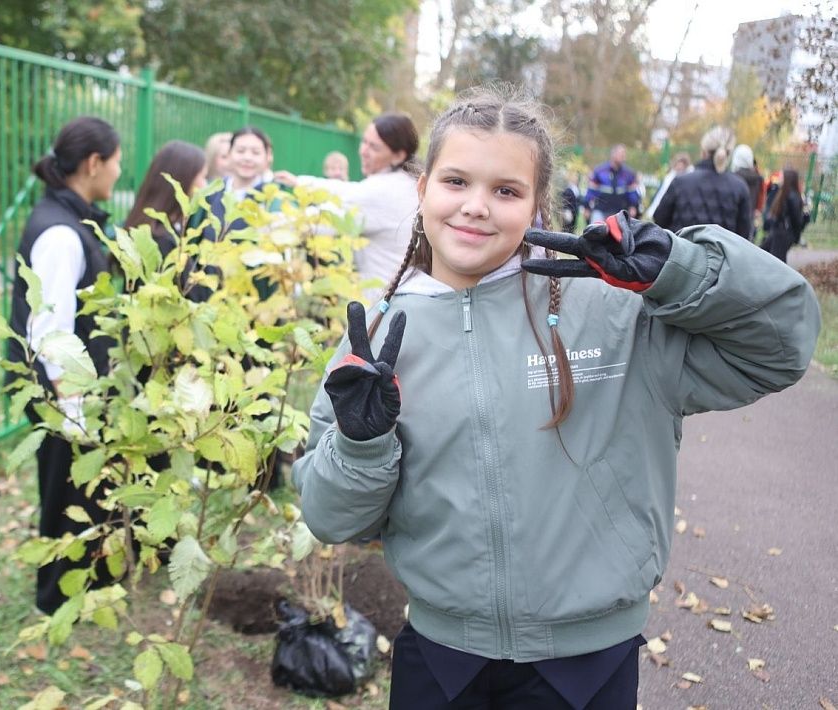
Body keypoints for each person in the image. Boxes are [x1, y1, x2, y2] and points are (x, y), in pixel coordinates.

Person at [292, 86, 819, 710]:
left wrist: (681, 269)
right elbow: (331, 519)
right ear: (423, 186)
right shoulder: (376, 338)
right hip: (440, 658)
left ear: (539, 203)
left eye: (506, 191)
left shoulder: (614, 312)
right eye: (456, 181)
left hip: (586, 668)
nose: (476, 207)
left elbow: (782, 344)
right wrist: (359, 444)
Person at [7, 116, 123, 614]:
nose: (119, 172)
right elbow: (50, 330)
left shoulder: (69, 216)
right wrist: (72, 410)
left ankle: (83, 587)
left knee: (80, 492)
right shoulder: (61, 233)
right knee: (63, 496)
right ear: (94, 163)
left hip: (66, 392)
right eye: (116, 162)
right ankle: (55, 598)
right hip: (59, 392)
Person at [274, 113, 421, 291]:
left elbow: (320, 221)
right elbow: (349, 190)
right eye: (364, 142)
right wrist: (301, 182)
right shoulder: (407, 181)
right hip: (404, 294)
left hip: (382, 302)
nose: (363, 151)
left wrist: (264, 224)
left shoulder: (379, 192)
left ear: (398, 156)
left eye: (373, 147)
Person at [653, 126, 753, 239]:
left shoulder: (680, 182)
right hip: (722, 256)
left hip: (682, 254)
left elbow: (659, 219)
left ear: (704, 151)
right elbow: (744, 234)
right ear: (728, 154)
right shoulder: (740, 187)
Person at [125, 139, 208, 257]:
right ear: (185, 180)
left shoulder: (150, 229)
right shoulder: (164, 242)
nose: (205, 185)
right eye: (203, 177)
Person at [584, 143, 640, 222]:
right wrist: (587, 207)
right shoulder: (600, 171)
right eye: (621, 154)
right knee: (595, 230)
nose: (624, 157)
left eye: (625, 154)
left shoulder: (628, 174)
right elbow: (591, 191)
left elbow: (632, 193)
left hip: (620, 213)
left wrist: (633, 206)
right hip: (601, 211)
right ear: (613, 154)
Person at [762, 168, 809, 263]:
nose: (779, 178)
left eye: (781, 176)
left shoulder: (792, 196)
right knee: (763, 252)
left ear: (788, 179)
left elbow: (796, 220)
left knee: (777, 261)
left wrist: (796, 236)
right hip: (778, 231)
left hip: (784, 233)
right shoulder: (784, 193)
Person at [643, 151, 691, 220]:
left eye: (681, 165)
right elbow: (660, 194)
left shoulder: (687, 179)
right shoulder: (669, 178)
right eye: (678, 165)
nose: (679, 167)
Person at [731, 144, 765, 227]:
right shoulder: (758, 178)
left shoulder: (732, 178)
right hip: (750, 218)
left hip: (733, 219)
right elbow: (761, 198)